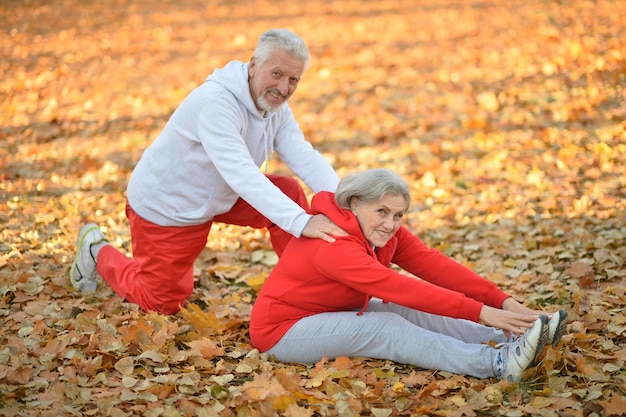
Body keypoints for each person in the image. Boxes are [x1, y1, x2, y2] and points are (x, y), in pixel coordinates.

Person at [69, 28, 347, 314]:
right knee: (162, 301)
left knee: (287, 192)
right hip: (172, 204)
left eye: (293, 80)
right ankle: (97, 250)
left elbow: (302, 154)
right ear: (253, 65)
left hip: (220, 193)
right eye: (276, 74)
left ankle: (309, 285)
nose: (284, 88)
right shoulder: (217, 103)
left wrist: (346, 202)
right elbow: (241, 173)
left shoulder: (273, 105)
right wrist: (301, 222)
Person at [249, 168, 568, 381]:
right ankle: (497, 363)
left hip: (333, 312)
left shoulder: (383, 232)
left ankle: (511, 338)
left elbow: (437, 267)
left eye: (398, 215)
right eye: (382, 212)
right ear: (356, 204)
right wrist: (483, 312)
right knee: (385, 326)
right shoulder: (332, 242)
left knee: (398, 309)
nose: (390, 223)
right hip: (283, 330)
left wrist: (504, 303)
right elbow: (399, 286)